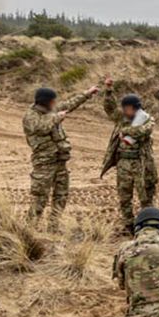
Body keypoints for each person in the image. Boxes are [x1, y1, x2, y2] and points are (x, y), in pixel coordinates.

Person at [22, 84, 99, 230]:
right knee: (40, 198)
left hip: (60, 161)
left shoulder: (51, 111)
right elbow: (41, 127)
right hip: (44, 163)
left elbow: (69, 104)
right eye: (53, 101)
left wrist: (87, 94)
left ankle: (53, 226)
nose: (55, 103)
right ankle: (29, 229)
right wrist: (57, 118)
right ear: (46, 102)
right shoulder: (30, 116)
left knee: (61, 195)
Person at [99, 78, 158, 228]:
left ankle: (148, 224)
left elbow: (141, 132)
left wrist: (124, 131)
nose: (125, 111)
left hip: (141, 163)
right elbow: (110, 108)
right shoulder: (122, 118)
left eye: (127, 108)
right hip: (123, 163)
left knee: (145, 196)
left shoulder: (147, 120)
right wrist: (108, 90)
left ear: (135, 108)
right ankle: (128, 224)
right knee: (124, 196)